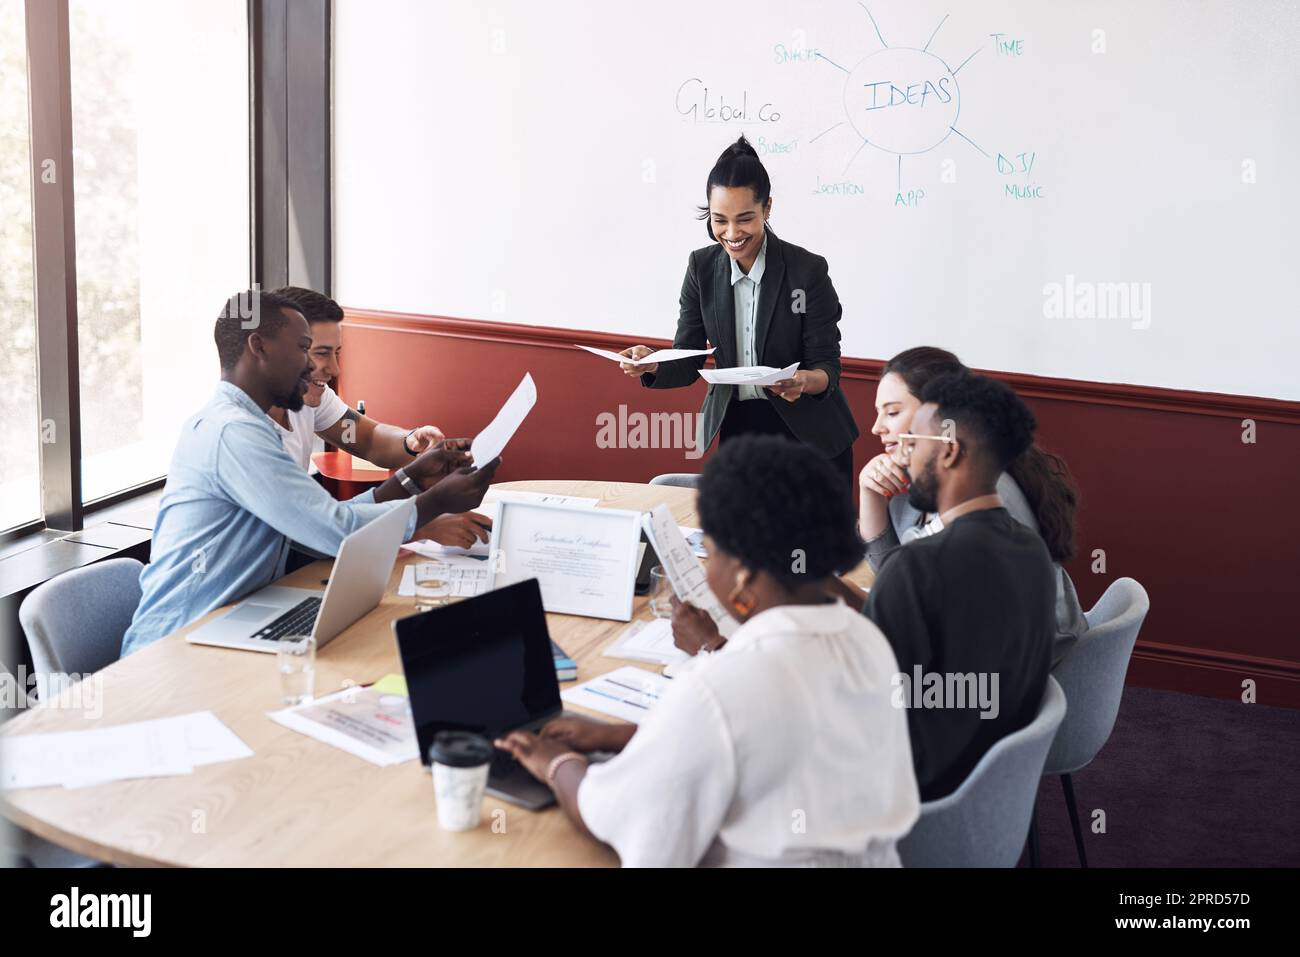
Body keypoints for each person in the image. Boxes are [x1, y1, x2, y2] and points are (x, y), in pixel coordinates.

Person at [494, 435, 919, 867]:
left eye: (710, 552)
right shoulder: (866, 638)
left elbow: (619, 814)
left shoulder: (719, 688)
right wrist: (624, 736)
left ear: (742, 575)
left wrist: (556, 764)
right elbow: (763, 746)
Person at [121, 290, 498, 655]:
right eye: (306, 349)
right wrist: (431, 504)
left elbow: (328, 507)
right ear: (260, 346)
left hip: (237, 616)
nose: (321, 368)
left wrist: (411, 477)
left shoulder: (281, 411)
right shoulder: (235, 433)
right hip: (178, 641)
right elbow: (331, 528)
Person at [615, 136, 858, 486]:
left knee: (808, 540)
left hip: (809, 435)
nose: (731, 234)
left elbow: (827, 368)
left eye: (745, 219)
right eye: (719, 220)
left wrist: (803, 381)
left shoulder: (807, 271)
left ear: (768, 208)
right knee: (739, 537)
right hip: (739, 429)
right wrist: (652, 362)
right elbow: (688, 359)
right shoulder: (701, 267)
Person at [864, 372, 1055, 801]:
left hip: (910, 794)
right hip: (993, 789)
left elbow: (865, 707)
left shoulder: (915, 568)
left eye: (914, 443)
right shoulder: (1033, 549)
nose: (905, 456)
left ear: (948, 453)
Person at [859, 346, 1086, 665]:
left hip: (1011, 671)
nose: (876, 427)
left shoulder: (982, 490)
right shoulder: (931, 475)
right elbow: (890, 570)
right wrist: (868, 493)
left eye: (892, 412)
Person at [268, 286, 490, 551]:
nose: (335, 369)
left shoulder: (309, 396)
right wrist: (420, 525)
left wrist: (410, 442)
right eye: (322, 353)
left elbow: (367, 438)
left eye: (336, 353)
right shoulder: (248, 434)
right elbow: (308, 535)